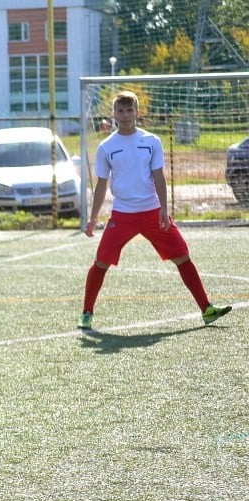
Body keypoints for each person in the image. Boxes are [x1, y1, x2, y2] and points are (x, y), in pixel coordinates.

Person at [80, 90, 231, 330]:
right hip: (122, 214)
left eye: (130, 110)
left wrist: (164, 208)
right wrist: (92, 218)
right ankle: (86, 313)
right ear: (114, 114)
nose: (126, 115)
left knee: (182, 255)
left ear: (138, 112)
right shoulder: (106, 147)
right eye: (121, 111)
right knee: (101, 262)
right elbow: (101, 185)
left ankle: (206, 309)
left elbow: (158, 176)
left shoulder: (152, 141)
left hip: (152, 212)